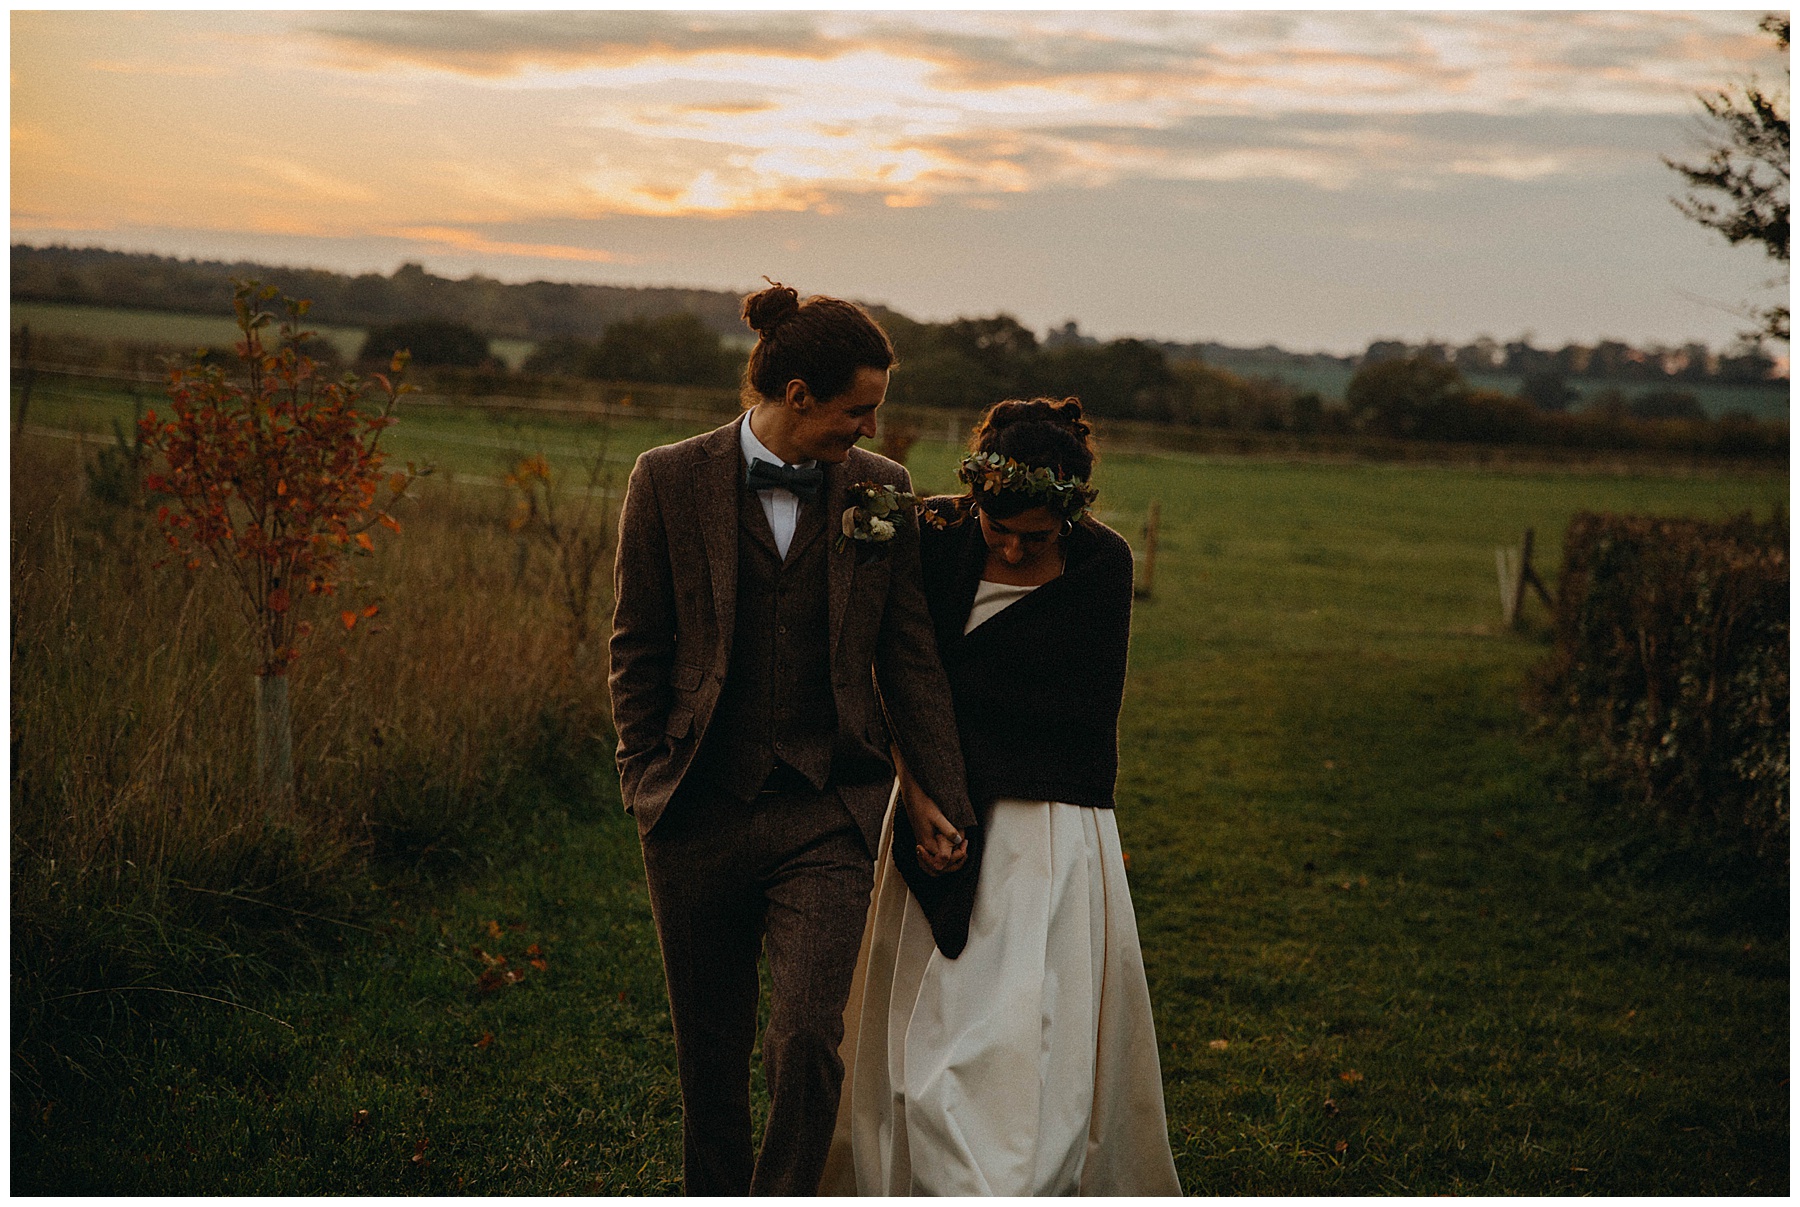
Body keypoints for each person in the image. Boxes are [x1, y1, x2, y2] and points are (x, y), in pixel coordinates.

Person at [608, 281, 975, 1195]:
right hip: (695, 807)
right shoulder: (666, 478)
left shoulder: (882, 492)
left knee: (807, 1038)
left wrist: (938, 789)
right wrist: (644, 778)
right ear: (798, 394)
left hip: (828, 809)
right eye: (861, 409)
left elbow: (912, 657)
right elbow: (638, 644)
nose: (872, 427)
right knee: (711, 1053)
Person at [823, 398, 1183, 1196]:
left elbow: (1077, 715)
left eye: (1037, 537)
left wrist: (983, 805)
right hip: (931, 801)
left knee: (1021, 1031)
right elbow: (896, 670)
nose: (1016, 549)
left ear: (1072, 516)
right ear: (976, 498)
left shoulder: (1103, 565)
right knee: (927, 1024)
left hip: (1043, 825)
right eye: (1000, 530)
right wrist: (923, 794)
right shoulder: (933, 538)